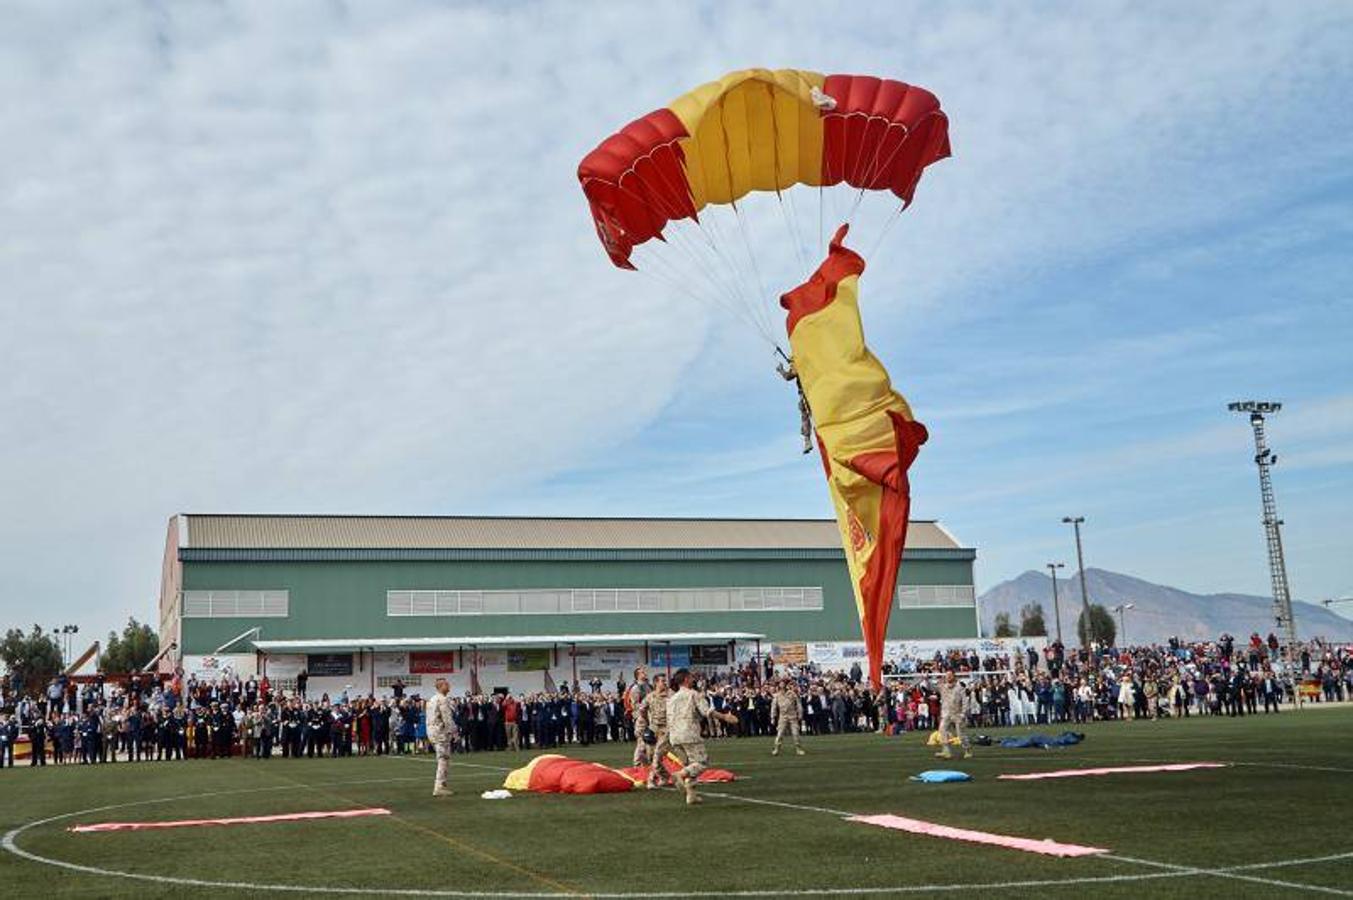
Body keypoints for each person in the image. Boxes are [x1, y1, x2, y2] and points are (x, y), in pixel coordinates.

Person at [665, 669, 739, 805]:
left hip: (674, 736)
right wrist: (725, 717)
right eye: (692, 677)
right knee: (701, 763)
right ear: (686, 679)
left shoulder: (672, 699)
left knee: (690, 765)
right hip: (689, 734)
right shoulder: (693, 694)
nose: (694, 680)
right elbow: (707, 712)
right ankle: (679, 775)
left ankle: (691, 795)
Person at [639, 674, 672, 788]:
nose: (665, 683)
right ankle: (665, 776)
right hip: (653, 728)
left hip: (667, 729)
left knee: (658, 755)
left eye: (665, 680)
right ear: (656, 683)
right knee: (649, 755)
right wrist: (647, 722)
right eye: (662, 681)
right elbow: (642, 709)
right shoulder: (650, 696)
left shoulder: (671, 695)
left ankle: (651, 779)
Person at [426, 677, 456, 797]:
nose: (449, 686)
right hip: (440, 732)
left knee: (442, 758)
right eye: (446, 684)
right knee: (443, 759)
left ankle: (441, 785)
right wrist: (453, 732)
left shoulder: (432, 699)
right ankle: (439, 786)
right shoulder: (442, 700)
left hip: (432, 732)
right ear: (441, 686)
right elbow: (447, 719)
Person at [777, 358, 813, 454]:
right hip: (813, 391)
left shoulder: (799, 362)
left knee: (805, 417)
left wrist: (781, 369)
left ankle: (807, 440)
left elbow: (789, 376)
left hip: (807, 394)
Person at [934, 670, 972, 760]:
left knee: (960, 734)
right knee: (942, 729)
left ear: (954, 676)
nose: (948, 677)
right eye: (947, 675)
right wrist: (926, 679)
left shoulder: (960, 688)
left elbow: (965, 701)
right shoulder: (943, 687)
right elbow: (931, 688)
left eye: (950, 675)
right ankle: (946, 751)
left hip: (957, 713)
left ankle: (967, 750)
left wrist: (963, 713)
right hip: (946, 713)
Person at [771, 679, 805, 756]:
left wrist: (800, 714)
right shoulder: (777, 695)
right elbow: (773, 706)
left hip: (792, 716)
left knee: (795, 734)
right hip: (783, 716)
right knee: (780, 734)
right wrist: (773, 717)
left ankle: (798, 748)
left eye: (783, 683)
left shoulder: (792, 694)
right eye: (780, 684)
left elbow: (798, 704)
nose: (782, 685)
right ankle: (776, 748)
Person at [626, 667, 652, 766]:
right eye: (642, 672)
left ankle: (644, 764)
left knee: (648, 743)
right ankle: (636, 765)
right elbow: (635, 705)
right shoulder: (636, 688)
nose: (645, 673)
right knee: (641, 742)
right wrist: (643, 712)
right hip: (641, 718)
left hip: (649, 717)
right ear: (638, 675)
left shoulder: (648, 686)